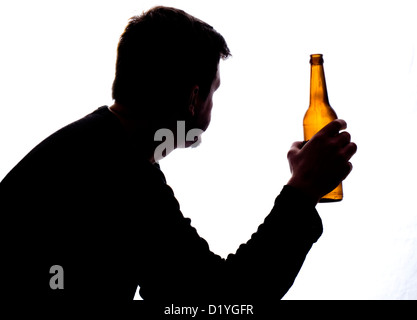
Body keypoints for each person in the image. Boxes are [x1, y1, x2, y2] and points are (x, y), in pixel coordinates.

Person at [0, 6, 357, 303]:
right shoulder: (123, 173)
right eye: (213, 93)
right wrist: (302, 192)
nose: (212, 107)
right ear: (192, 99)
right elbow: (222, 301)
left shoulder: (93, 149)